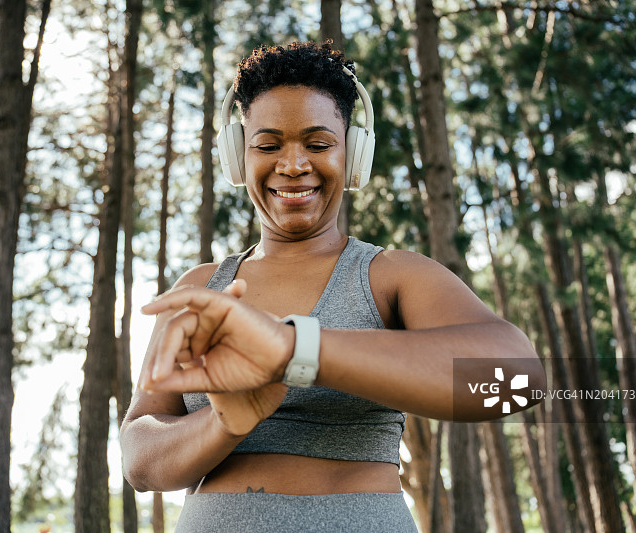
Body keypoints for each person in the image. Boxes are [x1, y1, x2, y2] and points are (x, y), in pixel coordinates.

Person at [120, 41, 544, 532]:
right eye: (268, 144)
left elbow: (518, 381)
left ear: (353, 155)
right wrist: (224, 422)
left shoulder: (394, 276)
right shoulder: (202, 287)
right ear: (238, 155)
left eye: (318, 144)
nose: (294, 165)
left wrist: (296, 348)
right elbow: (139, 461)